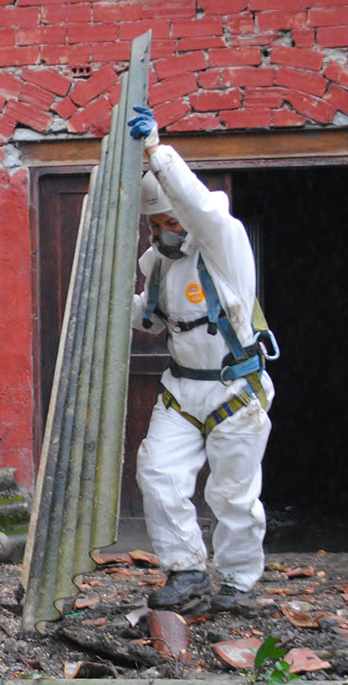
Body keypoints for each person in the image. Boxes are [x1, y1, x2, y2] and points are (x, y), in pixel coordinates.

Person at [127, 105, 276, 612]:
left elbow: (197, 205)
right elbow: (148, 320)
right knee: (158, 473)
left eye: (171, 219)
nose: (166, 229)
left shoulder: (222, 241)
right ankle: (187, 571)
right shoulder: (160, 265)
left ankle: (237, 582)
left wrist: (156, 153)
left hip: (236, 387)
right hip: (182, 388)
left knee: (232, 497)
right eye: (157, 222)